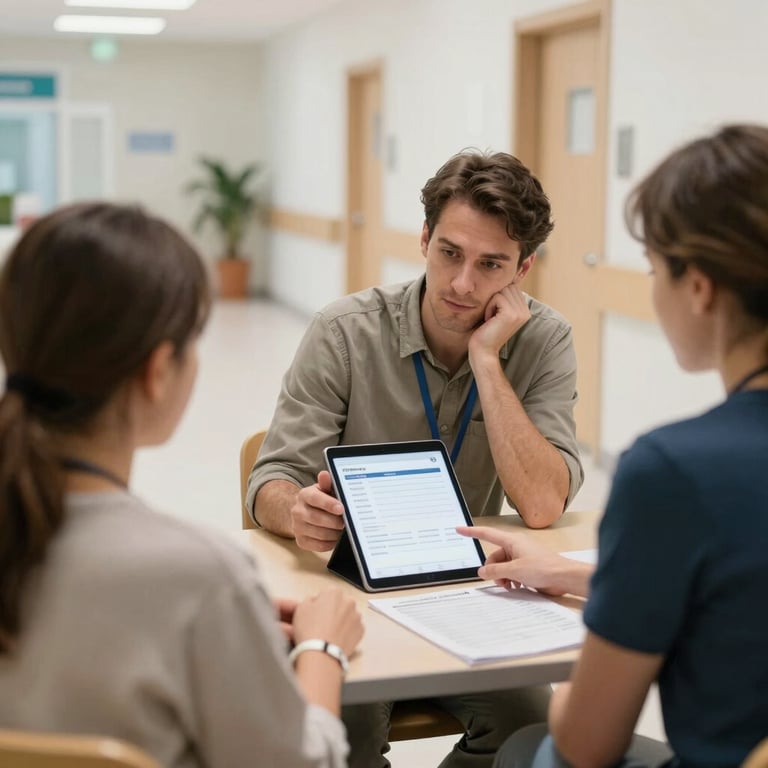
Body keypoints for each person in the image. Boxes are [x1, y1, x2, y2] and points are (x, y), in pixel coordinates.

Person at [247, 150, 584, 768]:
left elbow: (541, 505)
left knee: (533, 730)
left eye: (491, 265)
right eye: (450, 253)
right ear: (424, 238)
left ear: (523, 268)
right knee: (341, 732)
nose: (462, 284)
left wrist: (487, 360)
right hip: (349, 590)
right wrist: (296, 511)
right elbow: (271, 479)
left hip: (471, 595)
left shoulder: (544, 339)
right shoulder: (345, 330)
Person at [0, 202, 364, 768]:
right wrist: (323, 649)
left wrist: (226, 624)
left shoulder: (200, 589)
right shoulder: (199, 576)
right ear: (158, 370)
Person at [460, 124, 768, 767]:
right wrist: (581, 576)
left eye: (655, 269)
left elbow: (586, 743)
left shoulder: (677, 473)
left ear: (700, 286)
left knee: (529, 747)